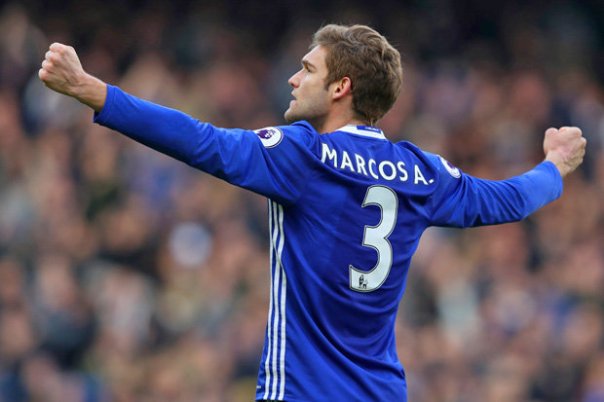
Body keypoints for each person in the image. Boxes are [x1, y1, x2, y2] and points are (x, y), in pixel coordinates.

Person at [39, 24, 586, 402]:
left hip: (300, 391)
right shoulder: (423, 172)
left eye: (307, 69)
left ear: (341, 87)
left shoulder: (305, 154)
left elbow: (201, 141)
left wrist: (91, 90)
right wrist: (554, 168)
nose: (293, 79)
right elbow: (508, 200)